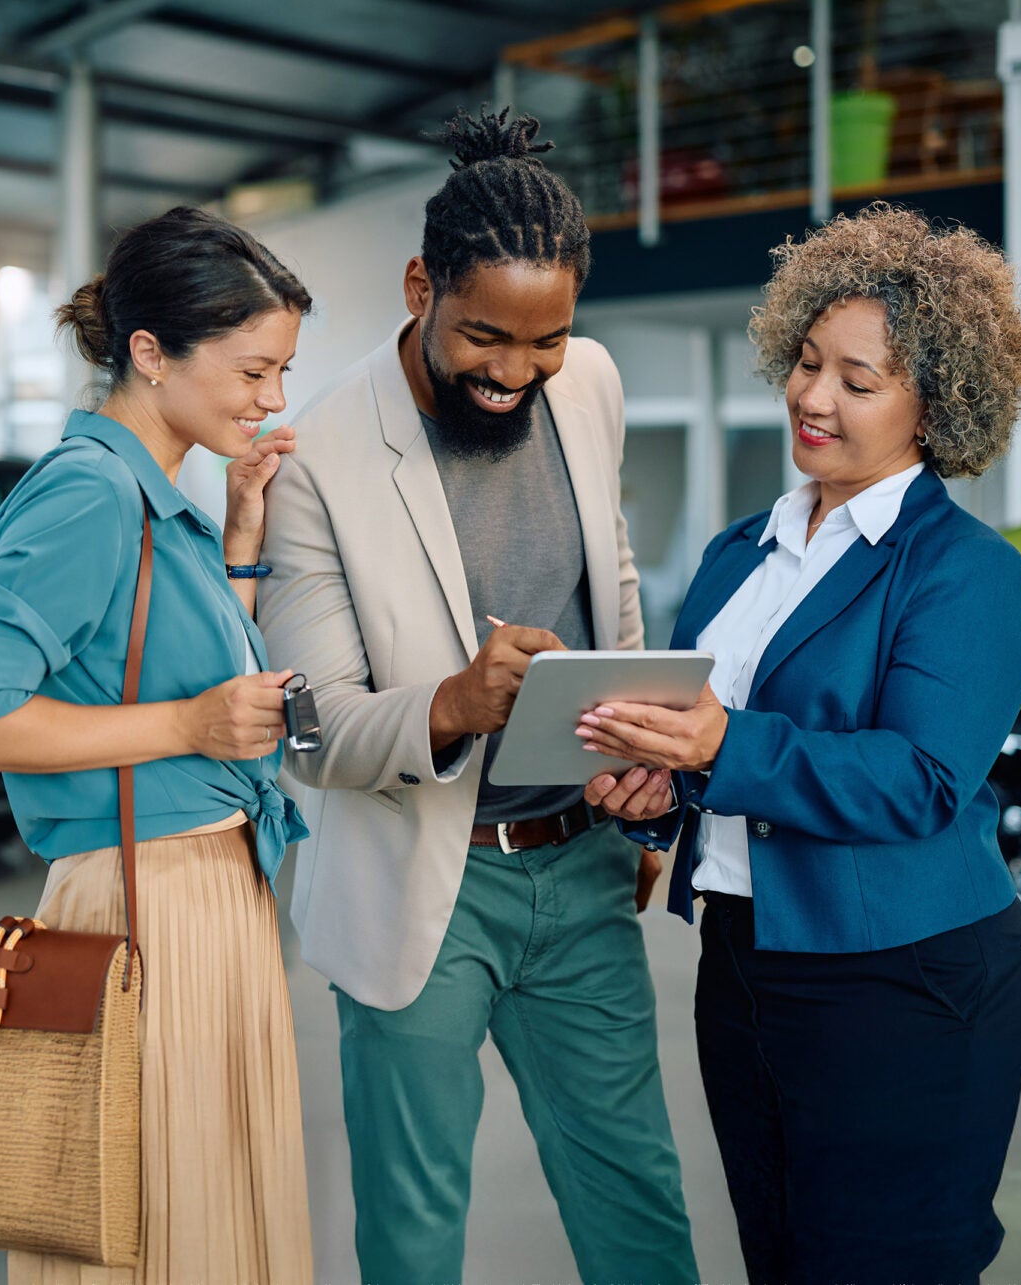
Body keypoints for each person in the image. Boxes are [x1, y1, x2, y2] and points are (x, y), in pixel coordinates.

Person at [257, 108, 697, 1285]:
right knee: (413, 1226)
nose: (515, 373)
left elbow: (612, 580)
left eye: (543, 342)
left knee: (637, 1194)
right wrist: (452, 704)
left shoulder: (590, 382)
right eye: (486, 337)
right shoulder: (320, 457)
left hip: (584, 858)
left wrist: (636, 758)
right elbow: (313, 732)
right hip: (420, 886)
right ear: (419, 287)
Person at [582, 201, 1021, 1285]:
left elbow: (921, 778)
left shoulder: (963, 572)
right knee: (783, 1254)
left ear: (934, 407)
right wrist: (665, 783)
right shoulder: (743, 551)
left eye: (857, 379)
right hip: (744, 963)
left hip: (904, 980)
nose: (812, 396)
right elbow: (713, 743)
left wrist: (720, 746)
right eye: (805, 361)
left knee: (887, 1262)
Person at [0, 206, 316, 1285]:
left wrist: (239, 543)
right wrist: (193, 726)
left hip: (202, 892)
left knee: (191, 1220)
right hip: (148, 902)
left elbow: (158, 662)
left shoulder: (158, 500)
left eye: (280, 370)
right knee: (158, 1230)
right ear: (150, 354)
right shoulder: (89, 492)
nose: (271, 397)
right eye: (252, 369)